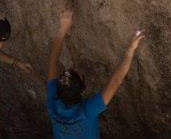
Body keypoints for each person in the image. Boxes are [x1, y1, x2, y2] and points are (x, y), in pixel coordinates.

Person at [46, 9, 144, 138]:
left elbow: (52, 62)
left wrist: (63, 28)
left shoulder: (53, 107)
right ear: (82, 87)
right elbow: (115, 82)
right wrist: (130, 50)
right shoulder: (86, 111)